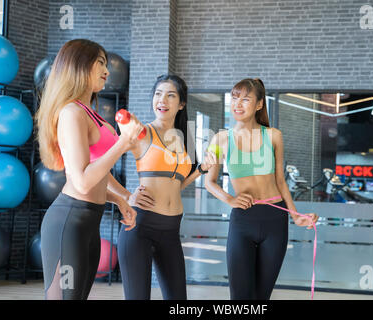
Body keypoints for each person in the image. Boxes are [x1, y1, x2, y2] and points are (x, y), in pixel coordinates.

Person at [35, 39, 144, 300]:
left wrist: (122, 199)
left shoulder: (90, 112)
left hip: (88, 222)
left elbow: (98, 173)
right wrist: (122, 144)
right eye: (100, 62)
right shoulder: (71, 112)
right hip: (68, 223)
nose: (107, 69)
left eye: (106, 63)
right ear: (79, 66)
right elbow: (82, 181)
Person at [204, 78, 319, 300]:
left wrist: (296, 216)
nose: (238, 104)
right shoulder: (220, 139)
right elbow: (210, 181)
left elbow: (280, 181)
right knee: (240, 297)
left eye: (245, 99)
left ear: (259, 104)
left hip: (275, 219)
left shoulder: (274, 136)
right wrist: (230, 200)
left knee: (261, 296)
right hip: (242, 219)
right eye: (235, 98)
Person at [117, 74, 215, 300]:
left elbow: (176, 185)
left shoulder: (185, 138)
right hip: (140, 226)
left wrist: (200, 170)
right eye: (158, 94)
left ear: (181, 104)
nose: (162, 100)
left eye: (171, 95)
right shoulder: (142, 133)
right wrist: (126, 196)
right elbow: (99, 165)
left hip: (171, 230)